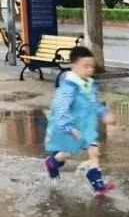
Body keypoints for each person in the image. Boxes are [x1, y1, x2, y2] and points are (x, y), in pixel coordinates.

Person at [44, 46, 115, 195]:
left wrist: (104, 114)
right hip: (72, 126)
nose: (90, 70)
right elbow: (61, 108)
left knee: (94, 151)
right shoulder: (68, 87)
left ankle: (97, 184)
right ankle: (52, 162)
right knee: (68, 153)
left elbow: (94, 103)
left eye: (92, 66)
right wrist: (67, 127)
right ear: (74, 66)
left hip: (87, 125)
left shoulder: (90, 84)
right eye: (86, 66)